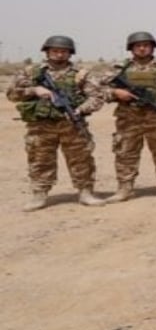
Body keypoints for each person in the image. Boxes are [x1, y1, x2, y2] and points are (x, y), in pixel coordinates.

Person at [7, 35, 107, 211]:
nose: (59, 54)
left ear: (70, 53)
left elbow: (97, 96)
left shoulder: (81, 74)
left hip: (71, 124)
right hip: (41, 125)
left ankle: (85, 192)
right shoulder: (31, 72)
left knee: (81, 159)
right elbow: (12, 94)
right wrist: (34, 90)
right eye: (55, 51)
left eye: (64, 51)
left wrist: (80, 109)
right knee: (40, 159)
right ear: (47, 52)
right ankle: (39, 194)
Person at [101, 31, 156, 203]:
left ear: (152, 48)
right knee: (125, 152)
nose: (142, 49)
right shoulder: (119, 68)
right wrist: (116, 92)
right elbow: (98, 89)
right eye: (138, 46)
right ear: (131, 48)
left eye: (146, 45)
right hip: (128, 116)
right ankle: (124, 188)